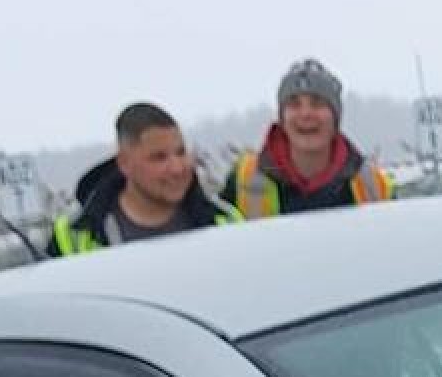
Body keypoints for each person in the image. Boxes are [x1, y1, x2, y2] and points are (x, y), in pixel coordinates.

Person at [48, 103, 237, 254]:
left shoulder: (225, 222)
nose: (177, 168)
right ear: (124, 164)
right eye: (159, 158)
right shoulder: (75, 237)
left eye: (181, 153)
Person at [229, 60, 394, 217]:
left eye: (317, 103)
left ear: (335, 118)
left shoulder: (373, 186)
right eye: (294, 104)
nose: (306, 114)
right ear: (282, 118)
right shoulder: (244, 181)